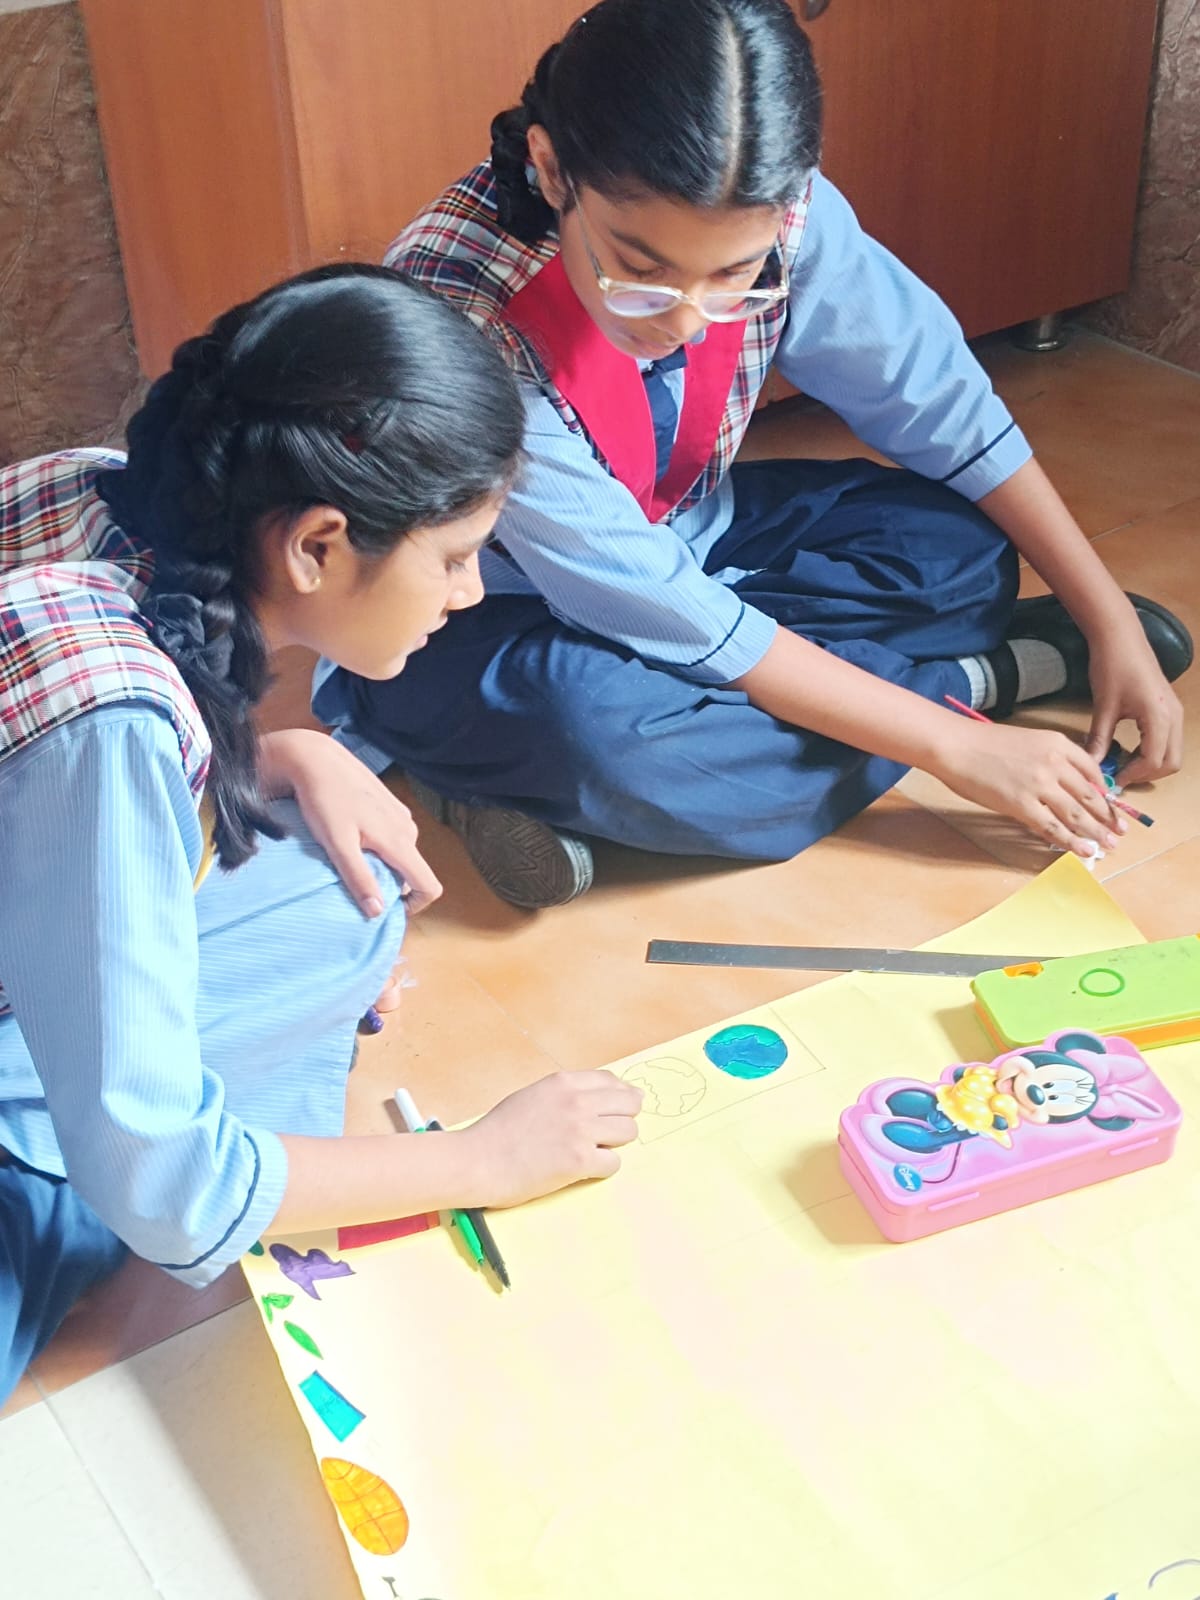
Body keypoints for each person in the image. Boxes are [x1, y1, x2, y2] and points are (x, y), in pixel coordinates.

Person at [314, 0, 1190, 911]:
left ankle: (635, 767)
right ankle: (978, 683)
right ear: (552, 166)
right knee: (600, 735)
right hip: (477, 618)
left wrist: (1105, 617)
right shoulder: (455, 318)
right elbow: (649, 599)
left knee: (960, 550)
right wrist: (954, 742)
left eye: (734, 276)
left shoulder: (785, 209)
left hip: (690, 543)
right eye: (639, 268)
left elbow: (940, 403)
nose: (687, 320)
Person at [0, 265, 642, 1407]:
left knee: (348, 888)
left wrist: (276, 752)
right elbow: (168, 1184)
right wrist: (479, 1159)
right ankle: (51, 1182)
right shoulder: (111, 721)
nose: (468, 592)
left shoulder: (107, 492)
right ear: (316, 545)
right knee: (136, 1190)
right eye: (454, 556)